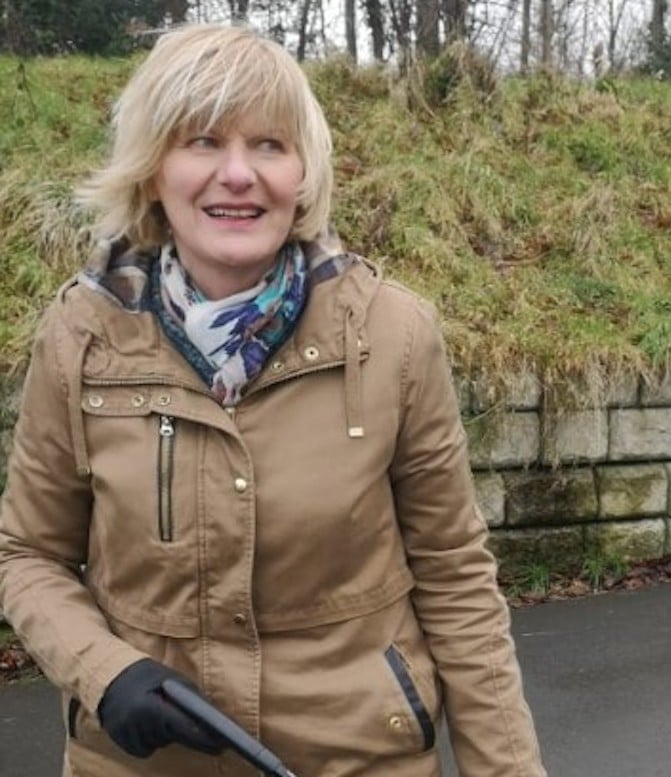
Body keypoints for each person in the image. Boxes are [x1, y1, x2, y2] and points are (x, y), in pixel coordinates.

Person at [0, 23, 546, 777]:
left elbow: (455, 577)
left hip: (356, 759)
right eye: (201, 141)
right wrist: (103, 671)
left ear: (304, 173)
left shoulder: (392, 336)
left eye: (269, 145)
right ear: (153, 171)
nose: (237, 174)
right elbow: (27, 552)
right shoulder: (81, 336)